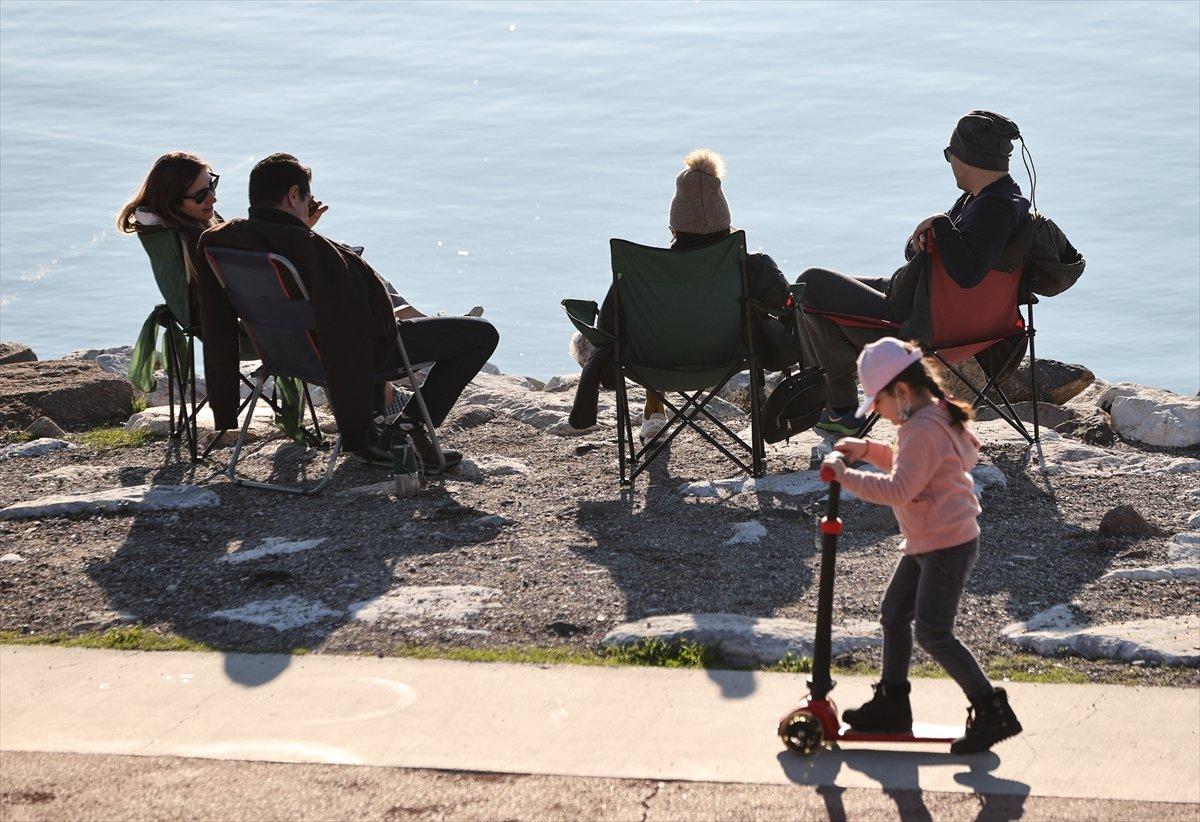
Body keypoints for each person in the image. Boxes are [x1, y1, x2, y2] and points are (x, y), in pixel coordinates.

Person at [194, 153, 498, 468]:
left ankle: (393, 427)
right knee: (482, 334)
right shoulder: (320, 251)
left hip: (283, 356)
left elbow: (216, 325)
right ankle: (408, 429)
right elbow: (370, 329)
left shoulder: (217, 241)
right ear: (294, 195)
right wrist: (359, 433)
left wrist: (224, 406)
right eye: (307, 196)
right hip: (352, 357)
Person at [820, 337, 1022, 755]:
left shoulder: (922, 428)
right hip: (931, 537)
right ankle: (894, 703)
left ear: (903, 392)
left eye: (877, 401)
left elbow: (901, 487)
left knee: (933, 631)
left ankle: (990, 709)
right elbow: (911, 465)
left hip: (946, 543)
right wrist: (866, 450)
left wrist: (843, 475)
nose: (875, 410)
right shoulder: (931, 417)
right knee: (894, 614)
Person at [797, 111, 1032, 436]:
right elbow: (924, 253)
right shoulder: (1000, 199)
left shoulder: (993, 211)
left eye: (949, 155)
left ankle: (841, 409)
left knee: (809, 285)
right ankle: (839, 396)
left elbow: (966, 270)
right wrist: (928, 239)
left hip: (921, 325)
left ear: (967, 158)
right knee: (828, 291)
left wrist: (939, 226)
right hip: (930, 301)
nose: (949, 162)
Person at [569, 148, 793, 437]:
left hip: (654, 364)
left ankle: (654, 410)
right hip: (727, 359)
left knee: (631, 331)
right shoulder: (751, 267)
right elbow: (785, 303)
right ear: (726, 223)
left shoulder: (638, 275)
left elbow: (608, 330)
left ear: (673, 227)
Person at [117, 151, 222, 325]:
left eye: (212, 185)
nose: (213, 198)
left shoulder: (192, 222)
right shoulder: (197, 244)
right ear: (173, 203)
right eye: (200, 195)